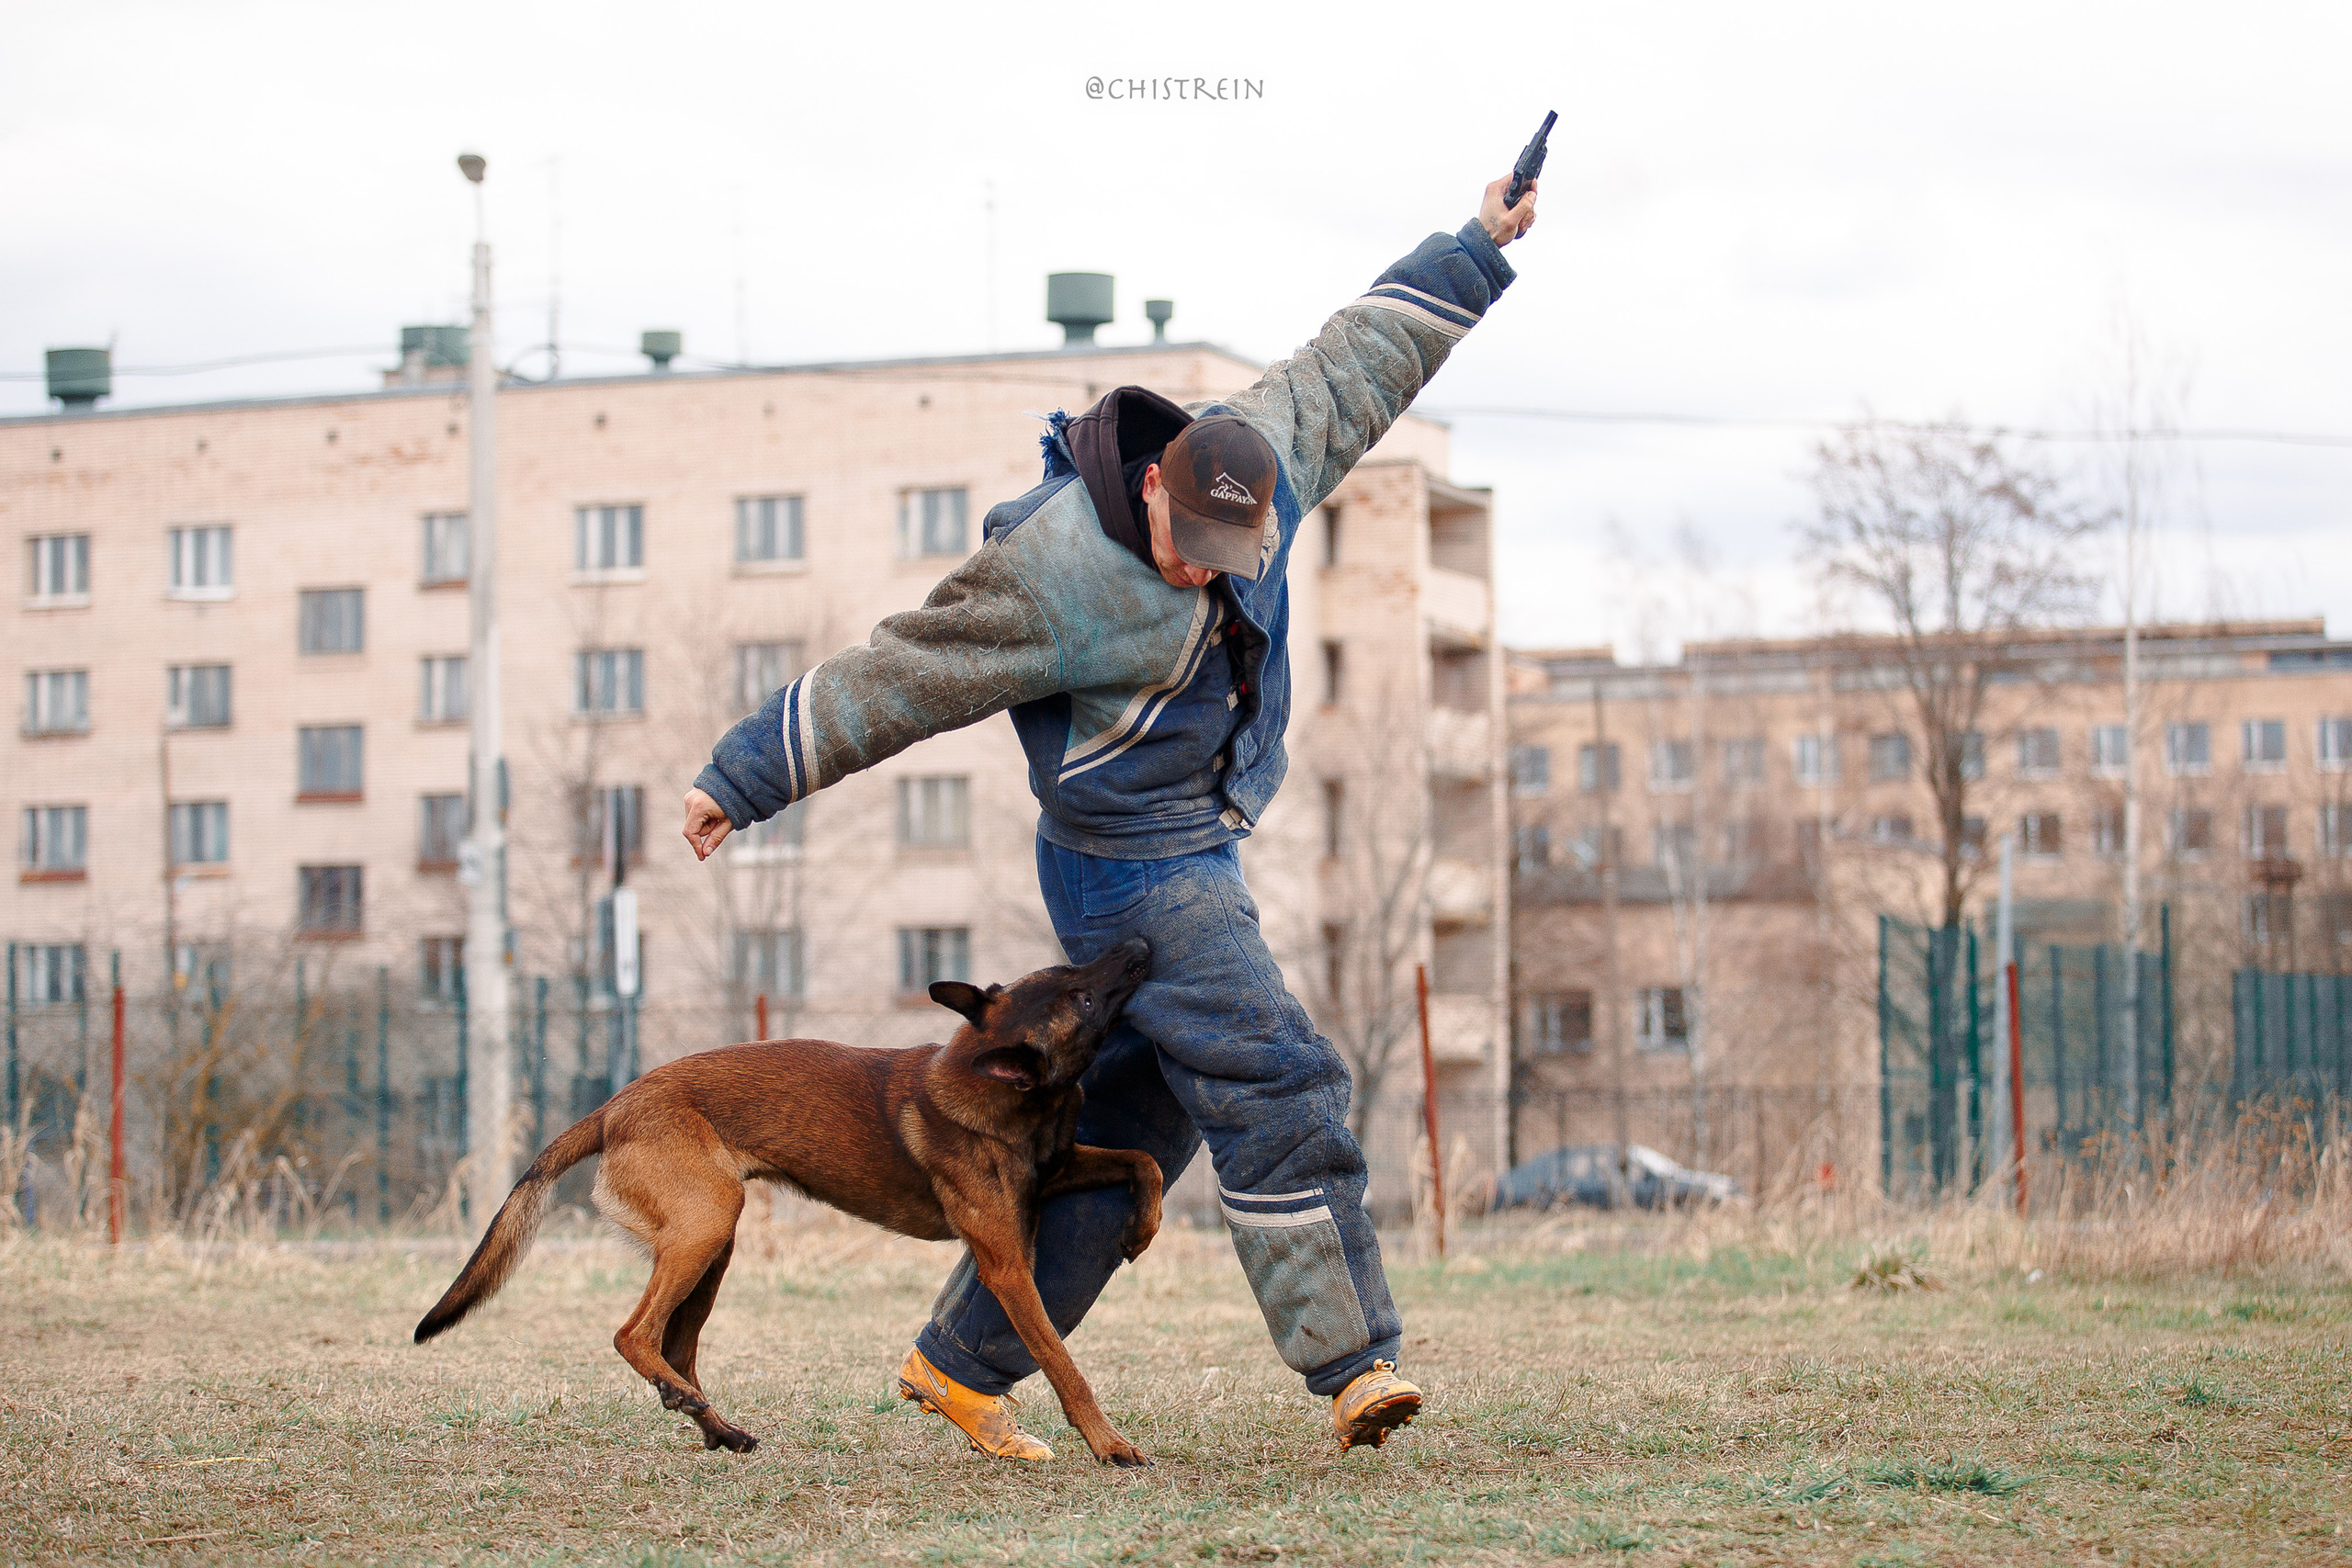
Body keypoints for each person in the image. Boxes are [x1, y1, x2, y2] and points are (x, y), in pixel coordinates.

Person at [682, 170, 1536, 1456]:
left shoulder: (1265, 453)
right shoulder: (1051, 573)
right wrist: (741, 778)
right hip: (1127, 864)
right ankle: (1355, 1362)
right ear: (1151, 494)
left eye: (1225, 559)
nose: (1204, 574)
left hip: (1205, 840)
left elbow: (1362, 357)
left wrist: (1476, 245)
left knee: (1143, 1110)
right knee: (1269, 1066)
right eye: (1186, 551)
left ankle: (959, 1365)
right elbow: (900, 675)